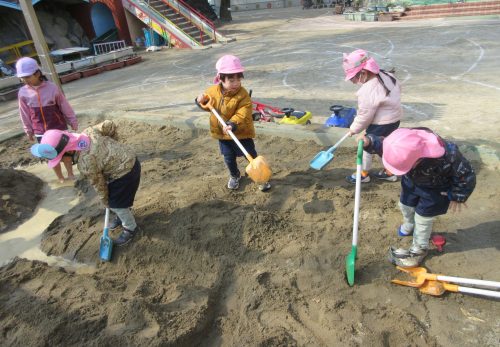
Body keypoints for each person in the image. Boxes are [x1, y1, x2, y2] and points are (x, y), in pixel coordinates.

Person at [359, 127, 476, 267]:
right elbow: (382, 144)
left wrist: (459, 194)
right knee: (405, 205)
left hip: (435, 191)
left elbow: (465, 174)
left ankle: (420, 248)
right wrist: (369, 142)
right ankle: (409, 224)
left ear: (418, 159)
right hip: (411, 183)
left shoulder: (448, 155)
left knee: (423, 217)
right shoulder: (398, 144)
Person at [30, 120, 141, 246]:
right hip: (130, 157)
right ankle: (121, 215)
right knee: (118, 198)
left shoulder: (85, 163)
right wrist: (114, 143)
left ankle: (130, 228)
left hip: (125, 172)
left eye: (60, 159)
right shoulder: (88, 132)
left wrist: (106, 202)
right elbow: (108, 124)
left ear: (69, 151)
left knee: (115, 203)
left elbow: (99, 185)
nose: (61, 162)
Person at [195, 54, 271, 192]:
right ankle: (235, 175)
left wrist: (233, 124)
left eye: (238, 79)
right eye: (231, 80)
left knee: (251, 155)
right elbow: (204, 103)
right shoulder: (212, 92)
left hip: (241, 132)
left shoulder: (243, 95)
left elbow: (243, 112)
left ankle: (260, 176)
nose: (236, 83)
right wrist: (199, 100)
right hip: (223, 135)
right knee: (229, 158)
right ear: (220, 79)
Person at [343, 49, 402, 184]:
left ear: (363, 73)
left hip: (380, 124)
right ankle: (390, 172)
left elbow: (365, 114)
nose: (353, 82)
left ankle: (363, 174)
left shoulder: (368, 90)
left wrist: (354, 128)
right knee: (385, 146)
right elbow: (399, 89)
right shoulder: (387, 75)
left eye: (354, 78)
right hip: (394, 120)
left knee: (366, 146)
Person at [16, 57, 78, 183]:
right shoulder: (23, 93)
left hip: (59, 128)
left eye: (27, 77)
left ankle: (71, 174)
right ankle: (60, 177)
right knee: (51, 156)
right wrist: (28, 129)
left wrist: (72, 120)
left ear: (37, 73)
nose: (25, 80)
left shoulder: (52, 88)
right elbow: (24, 113)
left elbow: (64, 105)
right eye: (22, 78)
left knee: (66, 153)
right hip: (40, 131)